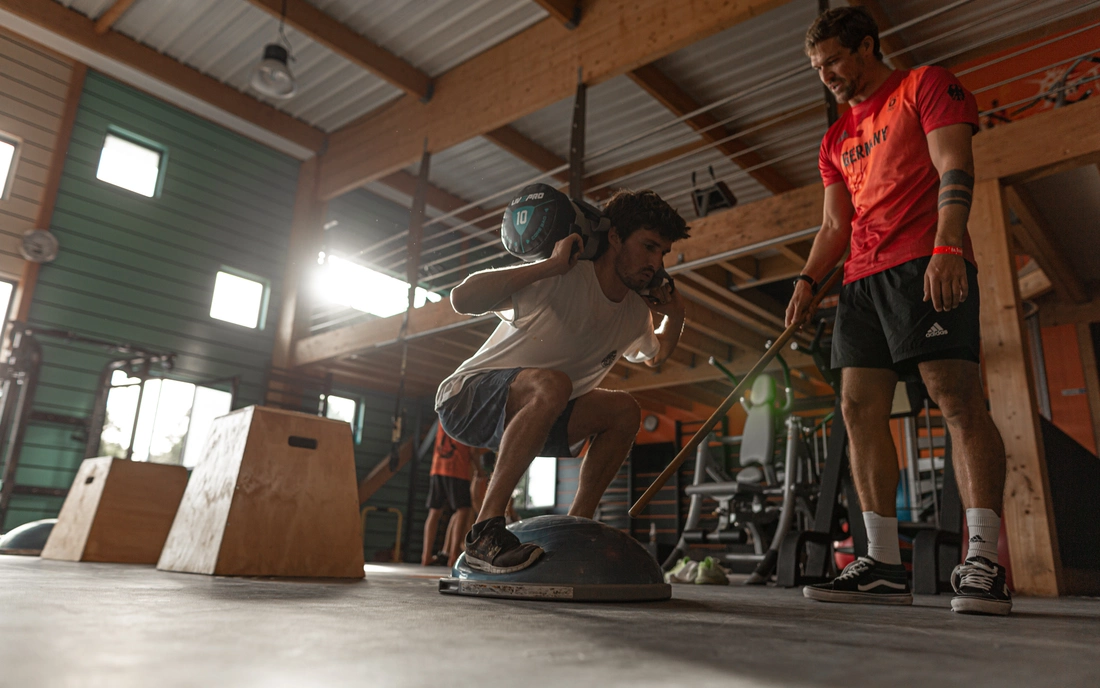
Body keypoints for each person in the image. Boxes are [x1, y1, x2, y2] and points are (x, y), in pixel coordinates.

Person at [788, 7, 1011, 616]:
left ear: (866, 47)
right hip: (861, 281)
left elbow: (954, 167)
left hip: (924, 261)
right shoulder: (835, 139)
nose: (825, 75)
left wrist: (947, 247)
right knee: (858, 408)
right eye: (816, 67)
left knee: (956, 396)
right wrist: (809, 280)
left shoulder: (925, 85)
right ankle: (882, 560)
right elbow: (836, 223)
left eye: (832, 61)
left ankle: (985, 561)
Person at [436, 189, 690, 574]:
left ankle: (576, 528)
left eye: (663, 254)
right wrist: (548, 266)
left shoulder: (636, 312)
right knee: (554, 385)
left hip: (537, 414)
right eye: (649, 246)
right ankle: (483, 534)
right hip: (466, 399)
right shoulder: (565, 276)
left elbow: (655, 354)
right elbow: (462, 298)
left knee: (624, 411)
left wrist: (678, 314)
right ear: (616, 237)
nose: (656, 263)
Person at [420, 429, 477, 568]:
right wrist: (479, 470)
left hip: (438, 465)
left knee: (434, 511)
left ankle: (426, 556)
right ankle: (453, 557)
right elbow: (473, 450)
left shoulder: (443, 414)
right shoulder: (470, 415)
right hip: (457, 467)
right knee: (463, 510)